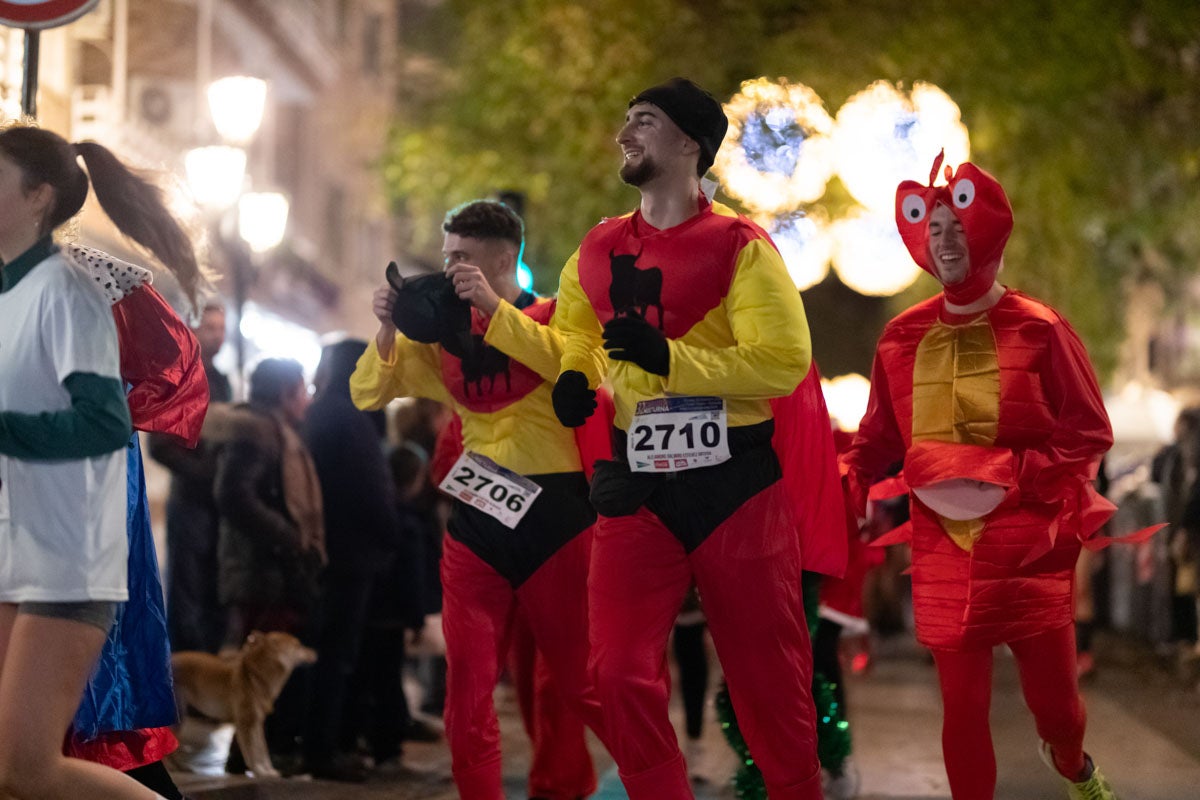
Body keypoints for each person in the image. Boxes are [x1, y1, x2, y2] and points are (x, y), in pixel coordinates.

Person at [549, 77, 824, 800]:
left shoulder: (741, 246)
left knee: (770, 682)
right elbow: (574, 328)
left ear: (688, 144)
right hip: (637, 485)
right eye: (626, 119)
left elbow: (782, 361)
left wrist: (670, 357)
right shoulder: (600, 245)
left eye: (643, 120)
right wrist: (576, 373)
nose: (625, 133)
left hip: (735, 486)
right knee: (613, 672)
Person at [842, 152, 1146, 800]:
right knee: (961, 708)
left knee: (1058, 708)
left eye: (957, 224)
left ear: (988, 229)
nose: (945, 239)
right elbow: (874, 441)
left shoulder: (1041, 328)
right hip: (943, 550)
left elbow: (1089, 430)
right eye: (935, 229)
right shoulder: (899, 338)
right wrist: (837, 482)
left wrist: (1015, 476)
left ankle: (1074, 766)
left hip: (1030, 547)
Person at [351, 199, 610, 799]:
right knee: (466, 692)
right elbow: (367, 391)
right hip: (478, 522)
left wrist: (493, 307)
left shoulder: (555, 314)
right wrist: (389, 325)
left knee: (580, 684)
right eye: (446, 258)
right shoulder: (441, 334)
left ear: (502, 260)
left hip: (558, 519)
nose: (449, 269)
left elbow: (569, 365)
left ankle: (656, 786)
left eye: (461, 258)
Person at [0, 125, 199, 799]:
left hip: (68, 545)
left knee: (30, 764)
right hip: (22, 542)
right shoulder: (16, 289)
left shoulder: (73, 283)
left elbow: (117, 411)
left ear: (38, 197)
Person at [62, 245, 209, 800]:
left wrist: (89, 422)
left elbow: (177, 371)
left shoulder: (88, 274)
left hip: (72, 516)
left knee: (77, 721)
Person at [206, 357, 324, 769]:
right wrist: (289, 536)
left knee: (261, 670)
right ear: (285, 392)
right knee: (256, 669)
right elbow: (233, 495)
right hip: (259, 568)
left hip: (268, 566)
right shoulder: (257, 431)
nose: (308, 398)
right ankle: (249, 758)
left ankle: (252, 755)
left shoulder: (271, 428)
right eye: (303, 389)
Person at [300, 338, 405, 781]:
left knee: (327, 653)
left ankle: (321, 743)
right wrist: (391, 537)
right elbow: (373, 493)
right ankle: (325, 750)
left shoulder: (319, 413)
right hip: (351, 556)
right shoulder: (351, 419)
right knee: (338, 656)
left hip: (328, 551)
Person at [149, 300, 230, 654]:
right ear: (192, 331)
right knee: (188, 595)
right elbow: (161, 445)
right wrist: (208, 474)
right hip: (192, 502)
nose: (217, 336)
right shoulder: (179, 376)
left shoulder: (221, 380)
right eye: (209, 328)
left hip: (217, 505)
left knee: (213, 592)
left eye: (221, 328)